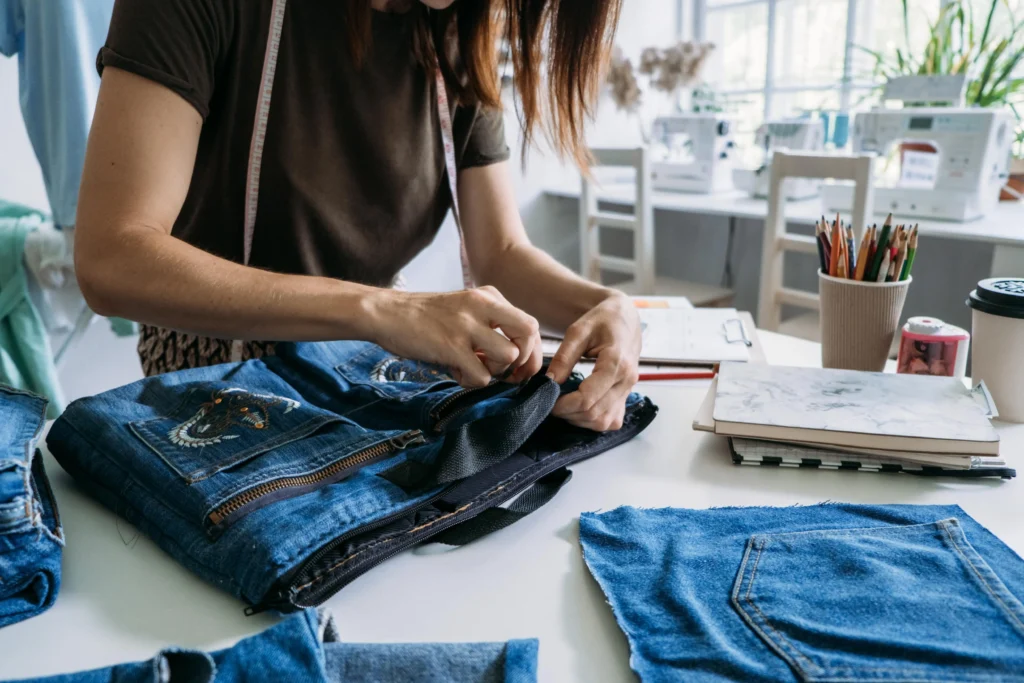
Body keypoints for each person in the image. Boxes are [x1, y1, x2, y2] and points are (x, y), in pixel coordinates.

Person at [74, 0, 641, 433]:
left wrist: (605, 307)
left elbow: (503, 254)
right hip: (210, 373)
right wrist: (380, 308)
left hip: (369, 366)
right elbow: (113, 256)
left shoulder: (454, 33)